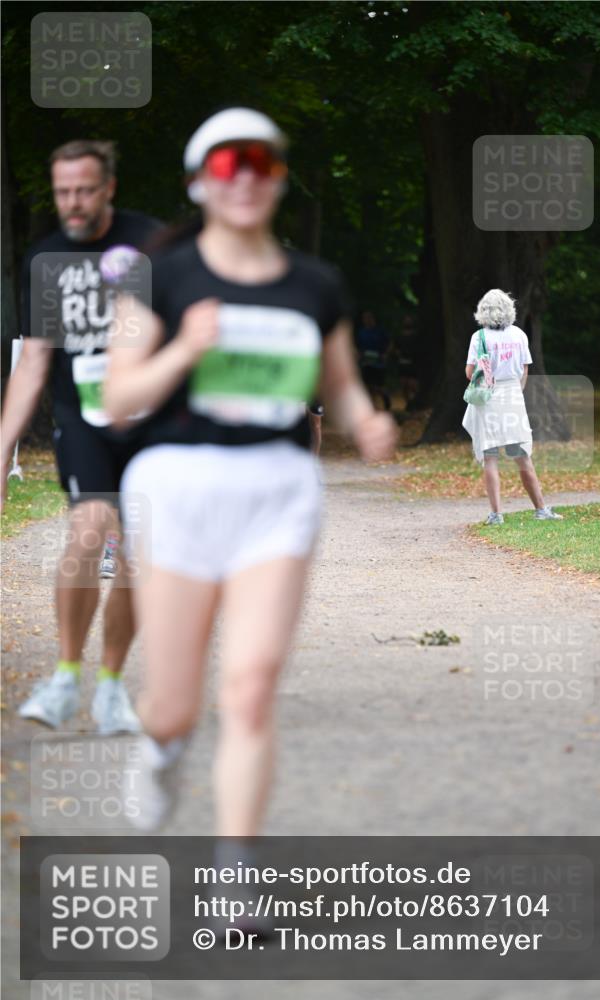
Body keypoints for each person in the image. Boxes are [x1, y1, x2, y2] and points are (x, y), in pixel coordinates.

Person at [104, 109, 397, 857]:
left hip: (276, 489)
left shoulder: (313, 284)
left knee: (251, 687)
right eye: (228, 166)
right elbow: (116, 398)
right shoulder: (161, 277)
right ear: (200, 182)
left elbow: (341, 384)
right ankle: (160, 748)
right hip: (178, 487)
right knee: (172, 706)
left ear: (277, 178)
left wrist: (365, 421)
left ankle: (236, 873)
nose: (245, 180)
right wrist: (184, 351)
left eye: (261, 165)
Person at [0, 139, 162, 732]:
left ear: (109, 188)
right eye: (63, 190)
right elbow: (35, 361)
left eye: (85, 190)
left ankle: (112, 687)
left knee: (139, 555)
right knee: (92, 528)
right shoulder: (45, 259)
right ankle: (67, 675)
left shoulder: (151, 243)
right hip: (84, 419)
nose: (73, 201)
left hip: (151, 422)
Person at [462, 289, 563, 525]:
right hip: (513, 398)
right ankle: (540, 508)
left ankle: (496, 514)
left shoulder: (479, 338)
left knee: (490, 457)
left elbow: (469, 373)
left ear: (483, 311)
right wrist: (515, 392)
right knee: (522, 456)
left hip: (488, 399)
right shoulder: (518, 335)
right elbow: (525, 369)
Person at [356, 309, 391, 411]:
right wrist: (358, 353)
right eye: (364, 318)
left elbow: (390, 343)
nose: (366, 320)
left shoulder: (380, 331)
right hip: (366, 362)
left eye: (368, 318)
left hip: (378, 362)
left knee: (379, 386)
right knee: (367, 386)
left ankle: (385, 397)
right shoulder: (361, 332)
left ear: (373, 318)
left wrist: (386, 354)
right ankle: (372, 407)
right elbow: (357, 346)